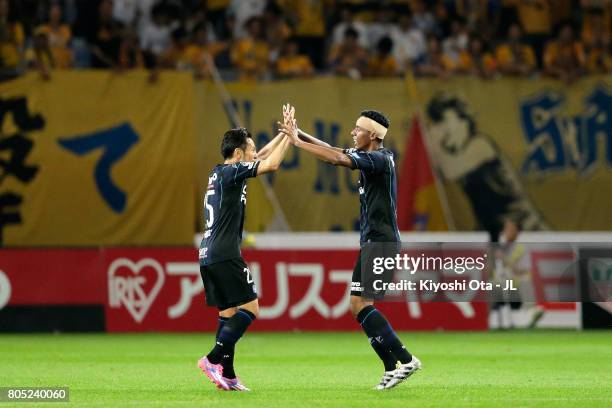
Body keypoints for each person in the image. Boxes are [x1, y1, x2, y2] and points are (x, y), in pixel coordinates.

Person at [278, 106, 421, 390]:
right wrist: (300, 132)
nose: (353, 132)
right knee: (357, 305)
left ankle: (406, 360)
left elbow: (336, 158)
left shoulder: (379, 159)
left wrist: (297, 143)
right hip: (374, 241)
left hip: (381, 242)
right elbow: (334, 149)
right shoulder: (374, 157)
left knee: (362, 305)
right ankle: (391, 367)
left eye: (358, 129)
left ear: (372, 134)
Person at [198, 105, 293, 392]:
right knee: (251, 309)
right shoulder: (232, 173)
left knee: (227, 314)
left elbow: (261, 157)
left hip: (207, 254)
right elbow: (271, 164)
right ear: (237, 154)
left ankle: (227, 375)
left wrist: (282, 134)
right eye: (249, 148)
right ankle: (213, 359)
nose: (254, 152)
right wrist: (290, 137)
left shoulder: (220, 173)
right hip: (226, 253)